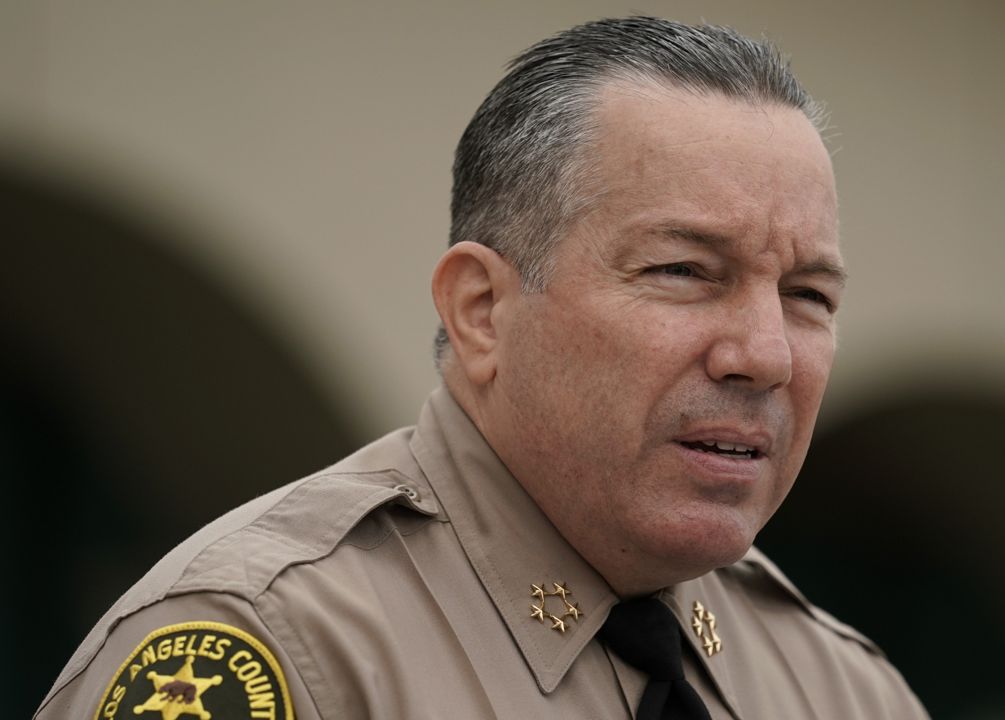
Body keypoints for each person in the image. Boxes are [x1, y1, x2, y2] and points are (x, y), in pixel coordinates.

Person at [35, 16, 927, 720]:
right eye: (685, 272)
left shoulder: (844, 691)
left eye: (809, 295)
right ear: (481, 312)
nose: (765, 353)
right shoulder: (270, 652)